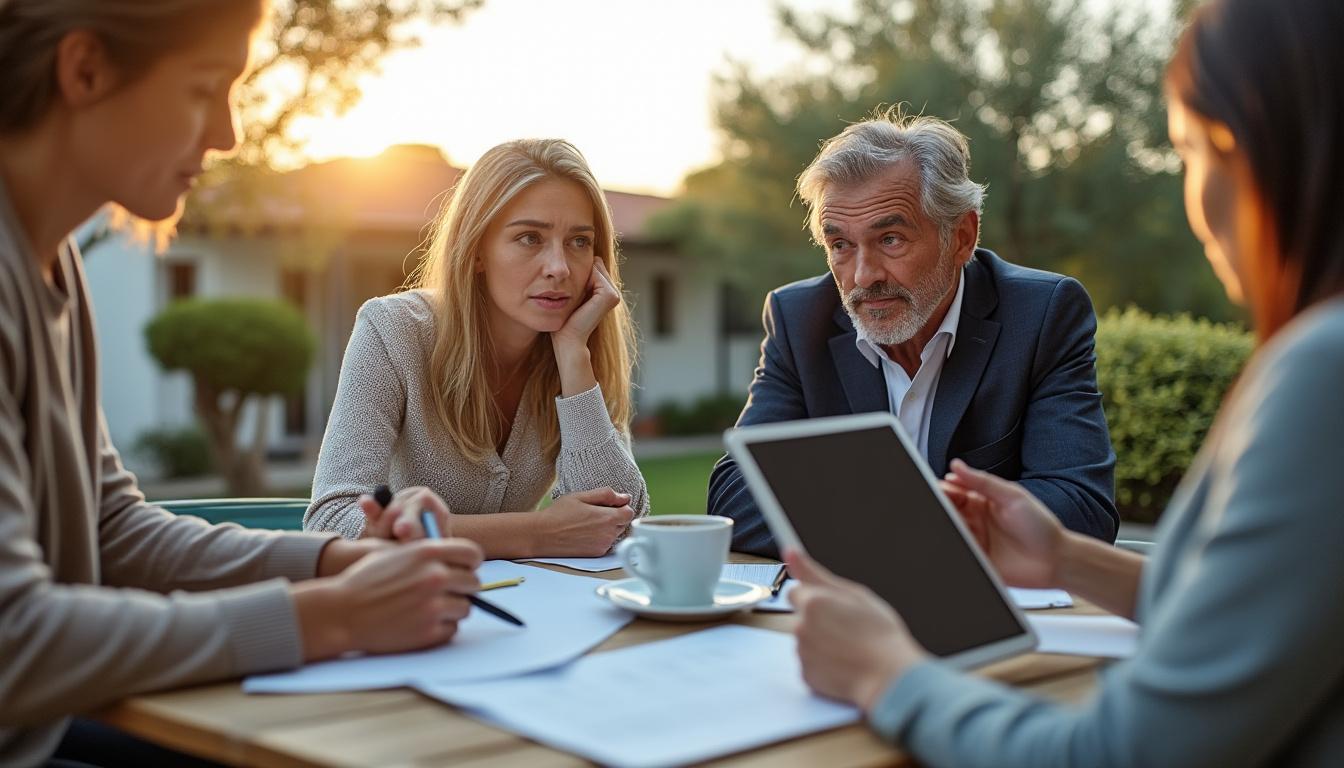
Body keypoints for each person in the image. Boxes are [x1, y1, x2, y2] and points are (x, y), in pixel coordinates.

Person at [788, 0, 1344, 765]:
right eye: (838, 244)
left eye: (1189, 152)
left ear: (1260, 150)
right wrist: (1064, 559)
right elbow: (1264, 616)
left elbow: (1120, 752)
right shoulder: (1324, 360)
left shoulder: (1324, 371)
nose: (1193, 204)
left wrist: (886, 672)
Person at [0, 3, 484, 766]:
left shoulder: (49, 262)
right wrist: (333, 618)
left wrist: (339, 565)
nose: (228, 133)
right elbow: (12, 636)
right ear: (85, 69)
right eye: (204, 88)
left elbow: (109, 528)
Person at [708, 113, 1117, 557]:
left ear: (961, 237)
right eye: (840, 245)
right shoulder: (799, 318)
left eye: (891, 239)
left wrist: (871, 522)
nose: (863, 277)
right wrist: (913, 525)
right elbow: (735, 500)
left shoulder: (1041, 315)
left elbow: (1081, 509)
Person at [304, 138, 649, 559]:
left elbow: (618, 521)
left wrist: (575, 355)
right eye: (529, 238)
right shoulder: (393, 331)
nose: (559, 268)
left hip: (529, 612)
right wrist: (538, 532)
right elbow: (332, 523)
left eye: (578, 242)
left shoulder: (577, 352)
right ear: (477, 250)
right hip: (403, 608)